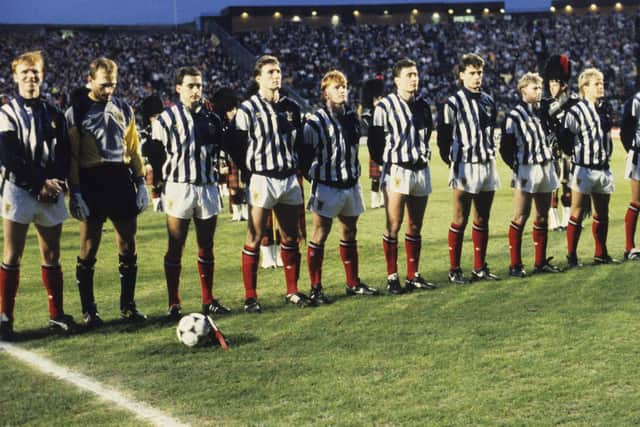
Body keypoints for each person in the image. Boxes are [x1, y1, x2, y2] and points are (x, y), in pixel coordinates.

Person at [67, 57, 148, 327]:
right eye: (103, 85)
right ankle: (89, 310)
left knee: (128, 242)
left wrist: (141, 182)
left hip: (120, 177)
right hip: (92, 179)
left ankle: (128, 306)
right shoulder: (77, 111)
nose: (109, 90)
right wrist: (76, 191)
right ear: (89, 80)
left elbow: (134, 149)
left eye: (112, 85)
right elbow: (73, 157)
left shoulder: (125, 108)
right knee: (89, 244)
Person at [0, 51, 75, 340]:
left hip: (50, 191)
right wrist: (39, 184)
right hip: (19, 190)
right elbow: (9, 156)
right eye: (25, 72)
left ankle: (56, 314)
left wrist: (54, 182)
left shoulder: (54, 113)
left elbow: (64, 153)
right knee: (12, 253)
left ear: (42, 76)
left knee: (52, 253)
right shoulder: (6, 113)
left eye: (35, 72)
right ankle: (6, 317)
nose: (31, 77)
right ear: (15, 76)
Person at [152, 67, 231, 320]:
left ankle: (209, 300)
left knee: (206, 246)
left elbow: (220, 152)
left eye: (199, 85)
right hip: (179, 186)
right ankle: (174, 303)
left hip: (207, 187)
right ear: (178, 88)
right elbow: (155, 156)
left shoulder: (213, 118)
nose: (196, 90)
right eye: (190, 86)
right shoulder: (165, 119)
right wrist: (156, 191)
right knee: (175, 246)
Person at [232, 55, 309, 312]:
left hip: (288, 178)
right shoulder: (247, 109)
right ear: (258, 78)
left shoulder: (292, 107)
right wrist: (250, 170)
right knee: (254, 237)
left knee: (290, 236)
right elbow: (237, 146)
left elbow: (300, 144)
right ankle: (250, 297)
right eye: (269, 72)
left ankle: (292, 290)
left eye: (278, 71)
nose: (276, 76)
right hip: (262, 179)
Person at [301, 70, 379, 303]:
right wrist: (315, 177)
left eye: (344, 86)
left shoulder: (351, 117)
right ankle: (316, 288)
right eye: (336, 87)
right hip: (327, 186)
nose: (342, 90)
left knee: (350, 232)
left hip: (351, 184)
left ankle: (352, 283)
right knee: (320, 233)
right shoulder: (315, 122)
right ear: (325, 92)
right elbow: (304, 156)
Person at [368, 58, 437, 294]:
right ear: (397, 80)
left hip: (420, 169)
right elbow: (375, 144)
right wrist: (389, 161)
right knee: (394, 224)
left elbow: (427, 134)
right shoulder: (384, 107)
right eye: (409, 75)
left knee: (415, 225)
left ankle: (413, 275)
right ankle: (392, 276)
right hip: (397, 170)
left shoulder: (423, 105)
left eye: (416, 74)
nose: (414, 79)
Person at [437, 53, 500, 284]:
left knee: (482, 218)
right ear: (461, 75)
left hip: (486, 164)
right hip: (465, 166)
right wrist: (452, 163)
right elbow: (443, 139)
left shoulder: (489, 101)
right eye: (472, 73)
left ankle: (479, 267)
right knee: (460, 218)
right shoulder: (451, 103)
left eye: (479, 73)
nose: (476, 78)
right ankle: (454, 269)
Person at [499, 72, 562, 277]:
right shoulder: (514, 116)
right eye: (535, 88)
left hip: (545, 166)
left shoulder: (543, 111)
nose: (539, 91)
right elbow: (505, 149)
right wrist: (517, 167)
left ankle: (540, 261)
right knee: (520, 216)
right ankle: (515, 265)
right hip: (526, 168)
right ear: (523, 90)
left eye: (540, 88)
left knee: (542, 215)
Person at [559, 68, 618, 267]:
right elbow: (564, 138)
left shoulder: (605, 108)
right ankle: (571, 256)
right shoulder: (576, 111)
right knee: (577, 212)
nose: (601, 87)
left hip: (603, 168)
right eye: (597, 84)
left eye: (602, 83)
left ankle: (601, 253)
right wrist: (575, 157)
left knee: (602, 213)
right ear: (585, 88)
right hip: (583, 168)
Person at [541, 55, 579, 231]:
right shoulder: (545, 105)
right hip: (553, 152)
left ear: (564, 85)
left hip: (570, 152)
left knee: (568, 185)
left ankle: (567, 218)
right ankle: (553, 219)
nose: (551, 87)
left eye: (555, 84)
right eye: (549, 84)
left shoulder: (574, 104)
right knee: (553, 187)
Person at [621, 89, 640, 260]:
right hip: (639, 156)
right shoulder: (635, 100)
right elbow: (625, 130)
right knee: (636, 201)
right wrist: (632, 150)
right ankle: (629, 247)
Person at [360, 78, 385, 209]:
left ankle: (383, 199)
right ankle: (375, 199)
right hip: (374, 146)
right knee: (375, 177)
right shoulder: (368, 112)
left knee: (385, 176)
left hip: (385, 145)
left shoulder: (383, 109)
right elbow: (367, 124)